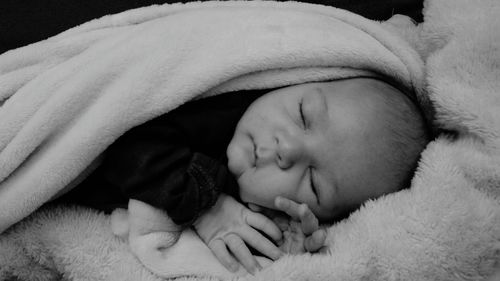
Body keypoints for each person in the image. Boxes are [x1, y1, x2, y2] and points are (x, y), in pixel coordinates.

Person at [56, 77, 430, 274]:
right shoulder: (221, 105)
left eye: (314, 184)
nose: (289, 150)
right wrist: (206, 206)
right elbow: (126, 139)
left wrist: (279, 244)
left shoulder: (257, 207)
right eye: (303, 113)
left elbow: (227, 251)